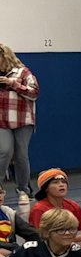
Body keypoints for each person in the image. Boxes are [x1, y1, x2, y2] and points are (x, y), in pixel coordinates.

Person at [0, 44, 39, 212]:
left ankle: (23, 188)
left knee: (21, 154)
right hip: (2, 121)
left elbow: (34, 92)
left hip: (22, 120)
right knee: (4, 151)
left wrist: (13, 84)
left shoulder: (22, 72)